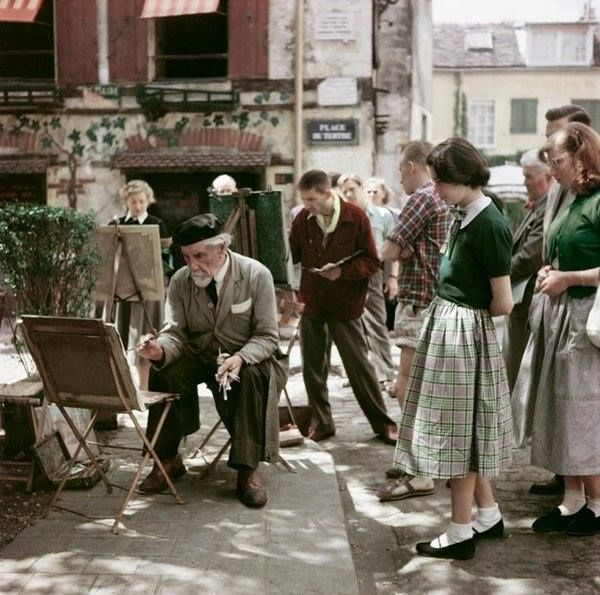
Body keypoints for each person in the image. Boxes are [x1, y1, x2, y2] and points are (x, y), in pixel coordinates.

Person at [393, 138, 514, 560]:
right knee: (466, 432)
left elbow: (504, 302)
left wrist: (461, 318)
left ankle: (460, 531)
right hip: (452, 327)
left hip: (463, 333)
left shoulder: (488, 224)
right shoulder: (463, 214)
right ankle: (487, 514)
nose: (436, 187)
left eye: (441, 180)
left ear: (464, 179)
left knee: (458, 436)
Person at [136, 214, 286, 508]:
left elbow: (268, 336)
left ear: (222, 249)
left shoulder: (256, 274)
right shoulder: (180, 281)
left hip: (247, 355)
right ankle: (167, 461)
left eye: (199, 256)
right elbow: (175, 333)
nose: (192, 265)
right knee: (164, 370)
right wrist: (159, 351)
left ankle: (247, 471)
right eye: (186, 257)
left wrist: (241, 357)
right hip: (200, 355)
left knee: (252, 377)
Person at [520, 123, 600, 537]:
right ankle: (572, 501)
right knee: (564, 407)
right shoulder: (570, 197)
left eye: (559, 159)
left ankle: (596, 505)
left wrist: (570, 278)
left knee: (583, 407)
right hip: (563, 315)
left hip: (585, 318)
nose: (553, 167)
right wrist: (551, 270)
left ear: (582, 156)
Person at [289, 169, 397, 444]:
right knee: (313, 369)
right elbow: (294, 258)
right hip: (312, 303)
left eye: (311, 199)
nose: (307, 205)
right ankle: (322, 423)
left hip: (345, 304)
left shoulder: (356, 217)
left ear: (327, 193)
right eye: (303, 199)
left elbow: (373, 262)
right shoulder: (303, 219)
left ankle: (382, 424)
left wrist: (342, 271)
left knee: (359, 367)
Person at [375, 140, 452, 501]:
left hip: (420, 302)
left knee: (408, 389)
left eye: (399, 172)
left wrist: (399, 250)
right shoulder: (441, 195)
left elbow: (388, 250)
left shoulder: (420, 197)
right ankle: (417, 461)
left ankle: (420, 472)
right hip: (437, 301)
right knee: (428, 391)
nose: (399, 181)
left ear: (410, 167)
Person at [338, 173, 397, 386]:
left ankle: (385, 373)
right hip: (346, 274)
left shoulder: (382, 215)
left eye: (352, 189)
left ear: (361, 188)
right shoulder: (341, 215)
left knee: (377, 325)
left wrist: (392, 277)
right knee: (351, 326)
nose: (348, 194)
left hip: (372, 272)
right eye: (344, 191)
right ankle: (355, 374)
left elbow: (393, 249)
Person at [112, 180, 169, 389]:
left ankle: (144, 388)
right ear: (126, 202)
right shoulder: (117, 224)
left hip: (149, 290)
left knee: (146, 336)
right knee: (121, 336)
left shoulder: (157, 224)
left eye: (142, 202)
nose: (137, 206)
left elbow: (166, 259)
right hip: (123, 291)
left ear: (148, 201)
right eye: (133, 202)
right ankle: (125, 387)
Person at [503, 150, 552, 392]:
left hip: (528, 299)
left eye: (529, 176)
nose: (525, 182)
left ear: (548, 177)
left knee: (518, 371)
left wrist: (498, 275)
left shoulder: (545, 209)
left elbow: (530, 257)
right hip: (521, 300)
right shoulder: (538, 207)